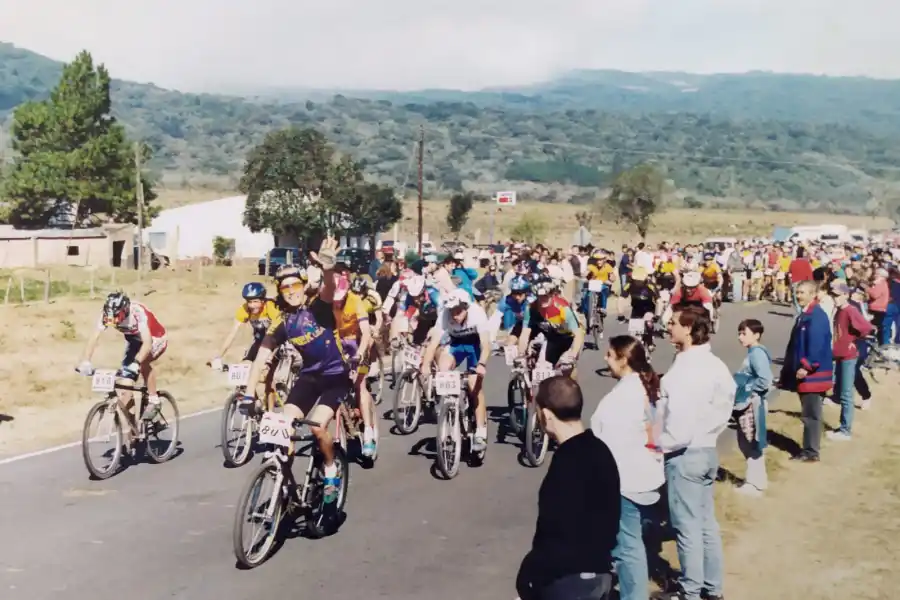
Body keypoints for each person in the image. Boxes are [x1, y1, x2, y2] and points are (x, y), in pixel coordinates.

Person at [242, 239, 348, 506]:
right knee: (282, 424)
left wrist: (327, 269)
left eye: (296, 285)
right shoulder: (282, 323)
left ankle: (330, 467)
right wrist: (247, 394)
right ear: (279, 291)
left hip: (335, 377)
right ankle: (283, 483)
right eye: (285, 287)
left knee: (316, 428)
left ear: (303, 286)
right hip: (310, 377)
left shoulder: (318, 307)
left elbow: (329, 288)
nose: (291, 291)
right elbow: (260, 359)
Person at [516, 376, 620, 600]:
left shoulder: (566, 463)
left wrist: (531, 574)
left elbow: (554, 532)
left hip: (568, 581)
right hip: (601, 571)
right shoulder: (600, 450)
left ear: (546, 415)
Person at [660, 306, 735, 600]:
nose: (669, 327)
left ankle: (691, 590)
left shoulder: (688, 369)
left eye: (674, 323)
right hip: (706, 449)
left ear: (689, 329)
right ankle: (712, 587)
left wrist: (662, 445)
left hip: (684, 452)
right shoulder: (715, 365)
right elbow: (726, 402)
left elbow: (679, 418)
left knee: (687, 527)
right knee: (705, 524)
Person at [591, 336, 664, 600]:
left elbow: (607, 441)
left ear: (624, 360)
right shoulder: (646, 387)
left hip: (627, 480)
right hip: (646, 474)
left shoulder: (623, 396)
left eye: (610, 355)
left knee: (628, 548)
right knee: (634, 544)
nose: (605, 359)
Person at [76, 291, 168, 421]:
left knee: (142, 363)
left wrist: (136, 362)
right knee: (126, 386)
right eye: (110, 315)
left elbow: (147, 344)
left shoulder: (137, 313)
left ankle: (154, 400)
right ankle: (133, 433)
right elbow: (94, 337)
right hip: (135, 341)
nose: (112, 319)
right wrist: (86, 361)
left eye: (116, 316)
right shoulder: (107, 314)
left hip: (155, 338)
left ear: (124, 311)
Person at [421, 288, 491, 453]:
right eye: (452, 311)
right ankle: (449, 407)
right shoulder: (445, 314)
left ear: (466, 307)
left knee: (475, 385)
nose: (454, 315)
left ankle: (480, 431)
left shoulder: (477, 313)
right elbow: (433, 344)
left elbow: (486, 345)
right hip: (457, 343)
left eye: (458, 311)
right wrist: (425, 365)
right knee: (443, 370)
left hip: (475, 345)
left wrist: (481, 364)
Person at [779, 280, 833, 463]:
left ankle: (811, 452)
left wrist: (807, 366)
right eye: (797, 292)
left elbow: (816, 346)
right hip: (805, 373)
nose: (798, 295)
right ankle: (809, 449)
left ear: (813, 294)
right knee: (808, 413)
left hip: (813, 375)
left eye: (802, 292)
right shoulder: (805, 314)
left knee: (811, 414)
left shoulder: (816, 316)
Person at [211, 282, 281, 408]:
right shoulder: (244, 310)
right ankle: (253, 400)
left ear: (263, 300)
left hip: (275, 341)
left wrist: (269, 358)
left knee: (267, 377)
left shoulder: (270, 307)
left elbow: (278, 329)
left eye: (255, 301)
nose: (252, 305)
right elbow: (232, 333)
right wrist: (218, 357)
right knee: (245, 367)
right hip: (259, 341)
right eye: (249, 302)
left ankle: (269, 414)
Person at [826, 281, 874, 442]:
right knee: (841, 390)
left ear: (846, 295)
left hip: (848, 355)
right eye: (833, 295)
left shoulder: (850, 310)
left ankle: (845, 430)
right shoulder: (839, 311)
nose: (835, 298)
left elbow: (866, 327)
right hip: (839, 354)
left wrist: (854, 340)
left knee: (846, 394)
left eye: (838, 295)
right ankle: (843, 427)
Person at [733, 319, 774, 496]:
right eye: (739, 333)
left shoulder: (757, 353)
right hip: (749, 402)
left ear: (756, 335)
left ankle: (755, 483)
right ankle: (757, 480)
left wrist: (748, 389)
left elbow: (765, 380)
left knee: (752, 443)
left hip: (753, 403)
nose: (740, 337)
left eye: (744, 333)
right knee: (747, 442)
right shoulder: (753, 352)